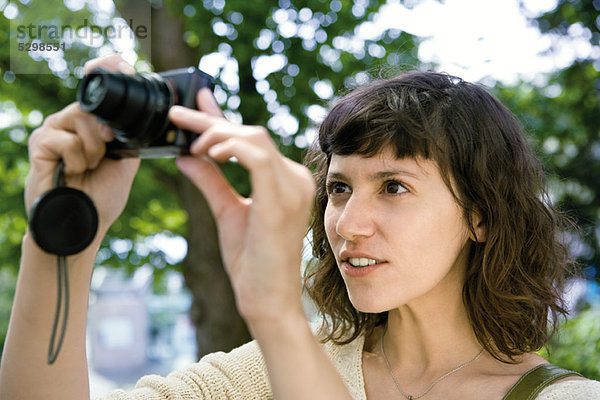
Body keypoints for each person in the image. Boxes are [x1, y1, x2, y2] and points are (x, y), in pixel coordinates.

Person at [1, 53, 599, 400]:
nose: (348, 224)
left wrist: (277, 315)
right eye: (339, 187)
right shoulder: (263, 373)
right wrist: (64, 240)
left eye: (394, 187)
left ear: (481, 217)